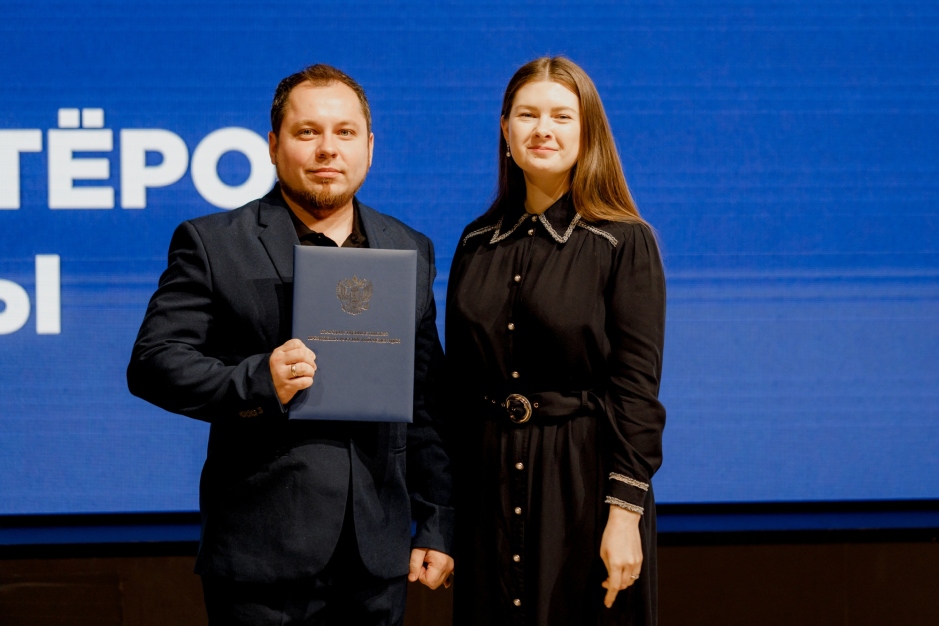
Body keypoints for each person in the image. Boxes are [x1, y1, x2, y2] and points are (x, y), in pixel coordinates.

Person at [127, 64, 454, 626]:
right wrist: (260, 381)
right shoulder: (213, 243)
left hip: (376, 562)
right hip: (262, 560)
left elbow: (424, 403)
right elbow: (154, 363)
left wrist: (437, 521)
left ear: (370, 147)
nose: (328, 148)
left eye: (345, 132)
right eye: (307, 132)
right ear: (274, 145)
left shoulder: (409, 248)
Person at [446, 57, 666, 625]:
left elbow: (636, 393)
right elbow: (457, 391)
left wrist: (625, 516)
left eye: (562, 116)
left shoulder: (624, 241)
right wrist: (439, 518)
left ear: (587, 131)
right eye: (527, 115)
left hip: (583, 484)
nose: (543, 129)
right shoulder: (475, 242)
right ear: (505, 129)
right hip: (487, 486)